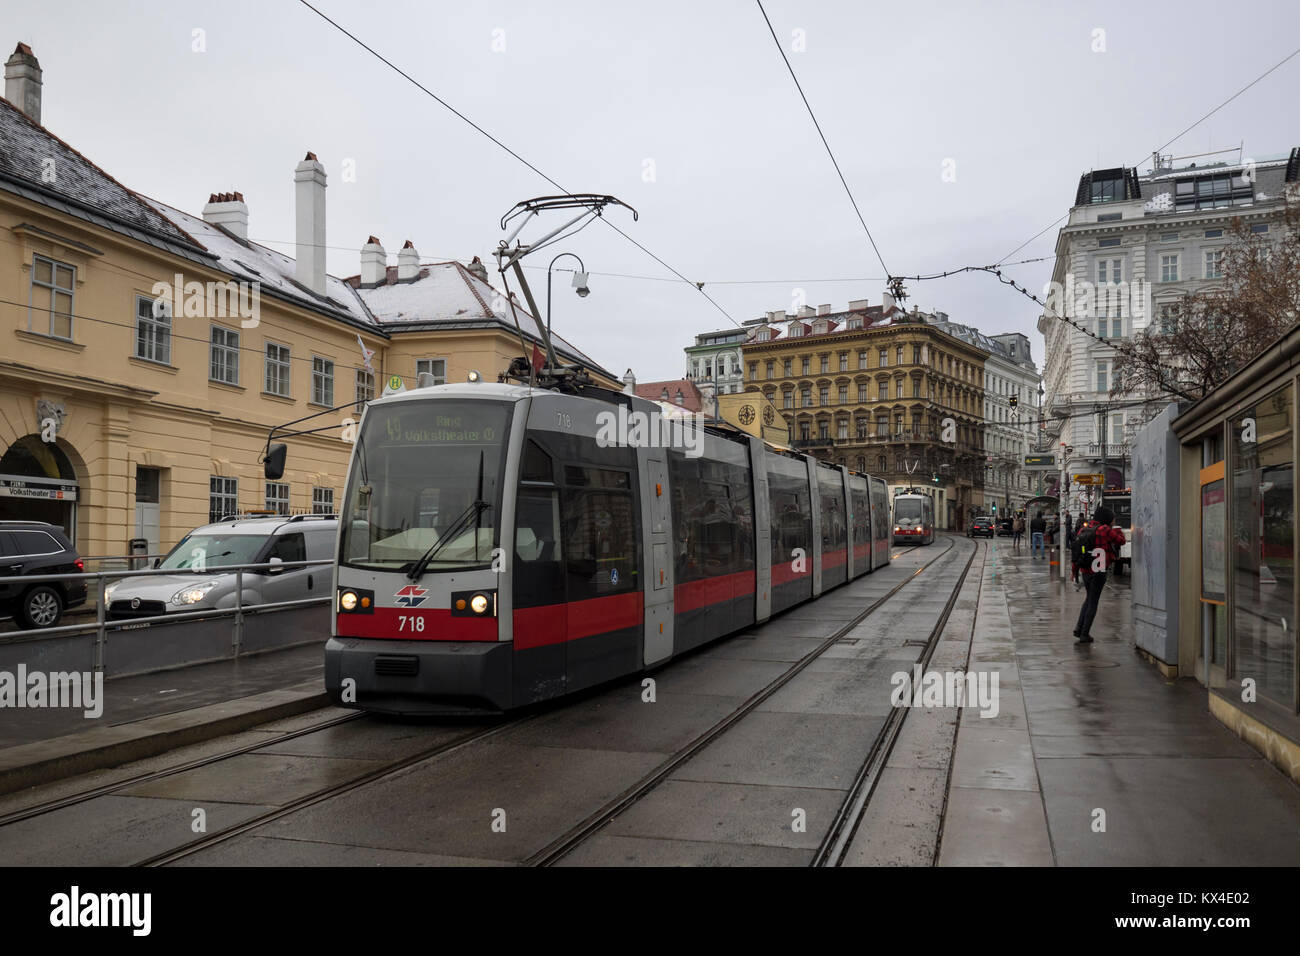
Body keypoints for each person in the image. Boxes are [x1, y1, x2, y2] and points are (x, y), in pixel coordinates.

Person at [1073, 505, 1126, 644]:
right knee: (1093, 601)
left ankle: (1079, 628)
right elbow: (1121, 541)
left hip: (1085, 570)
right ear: (1107, 519)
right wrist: (1118, 530)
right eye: (1112, 519)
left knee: (1088, 598)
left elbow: (1077, 549)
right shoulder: (1105, 530)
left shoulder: (1084, 528)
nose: (1113, 522)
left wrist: (1074, 571)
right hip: (1099, 570)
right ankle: (1085, 634)